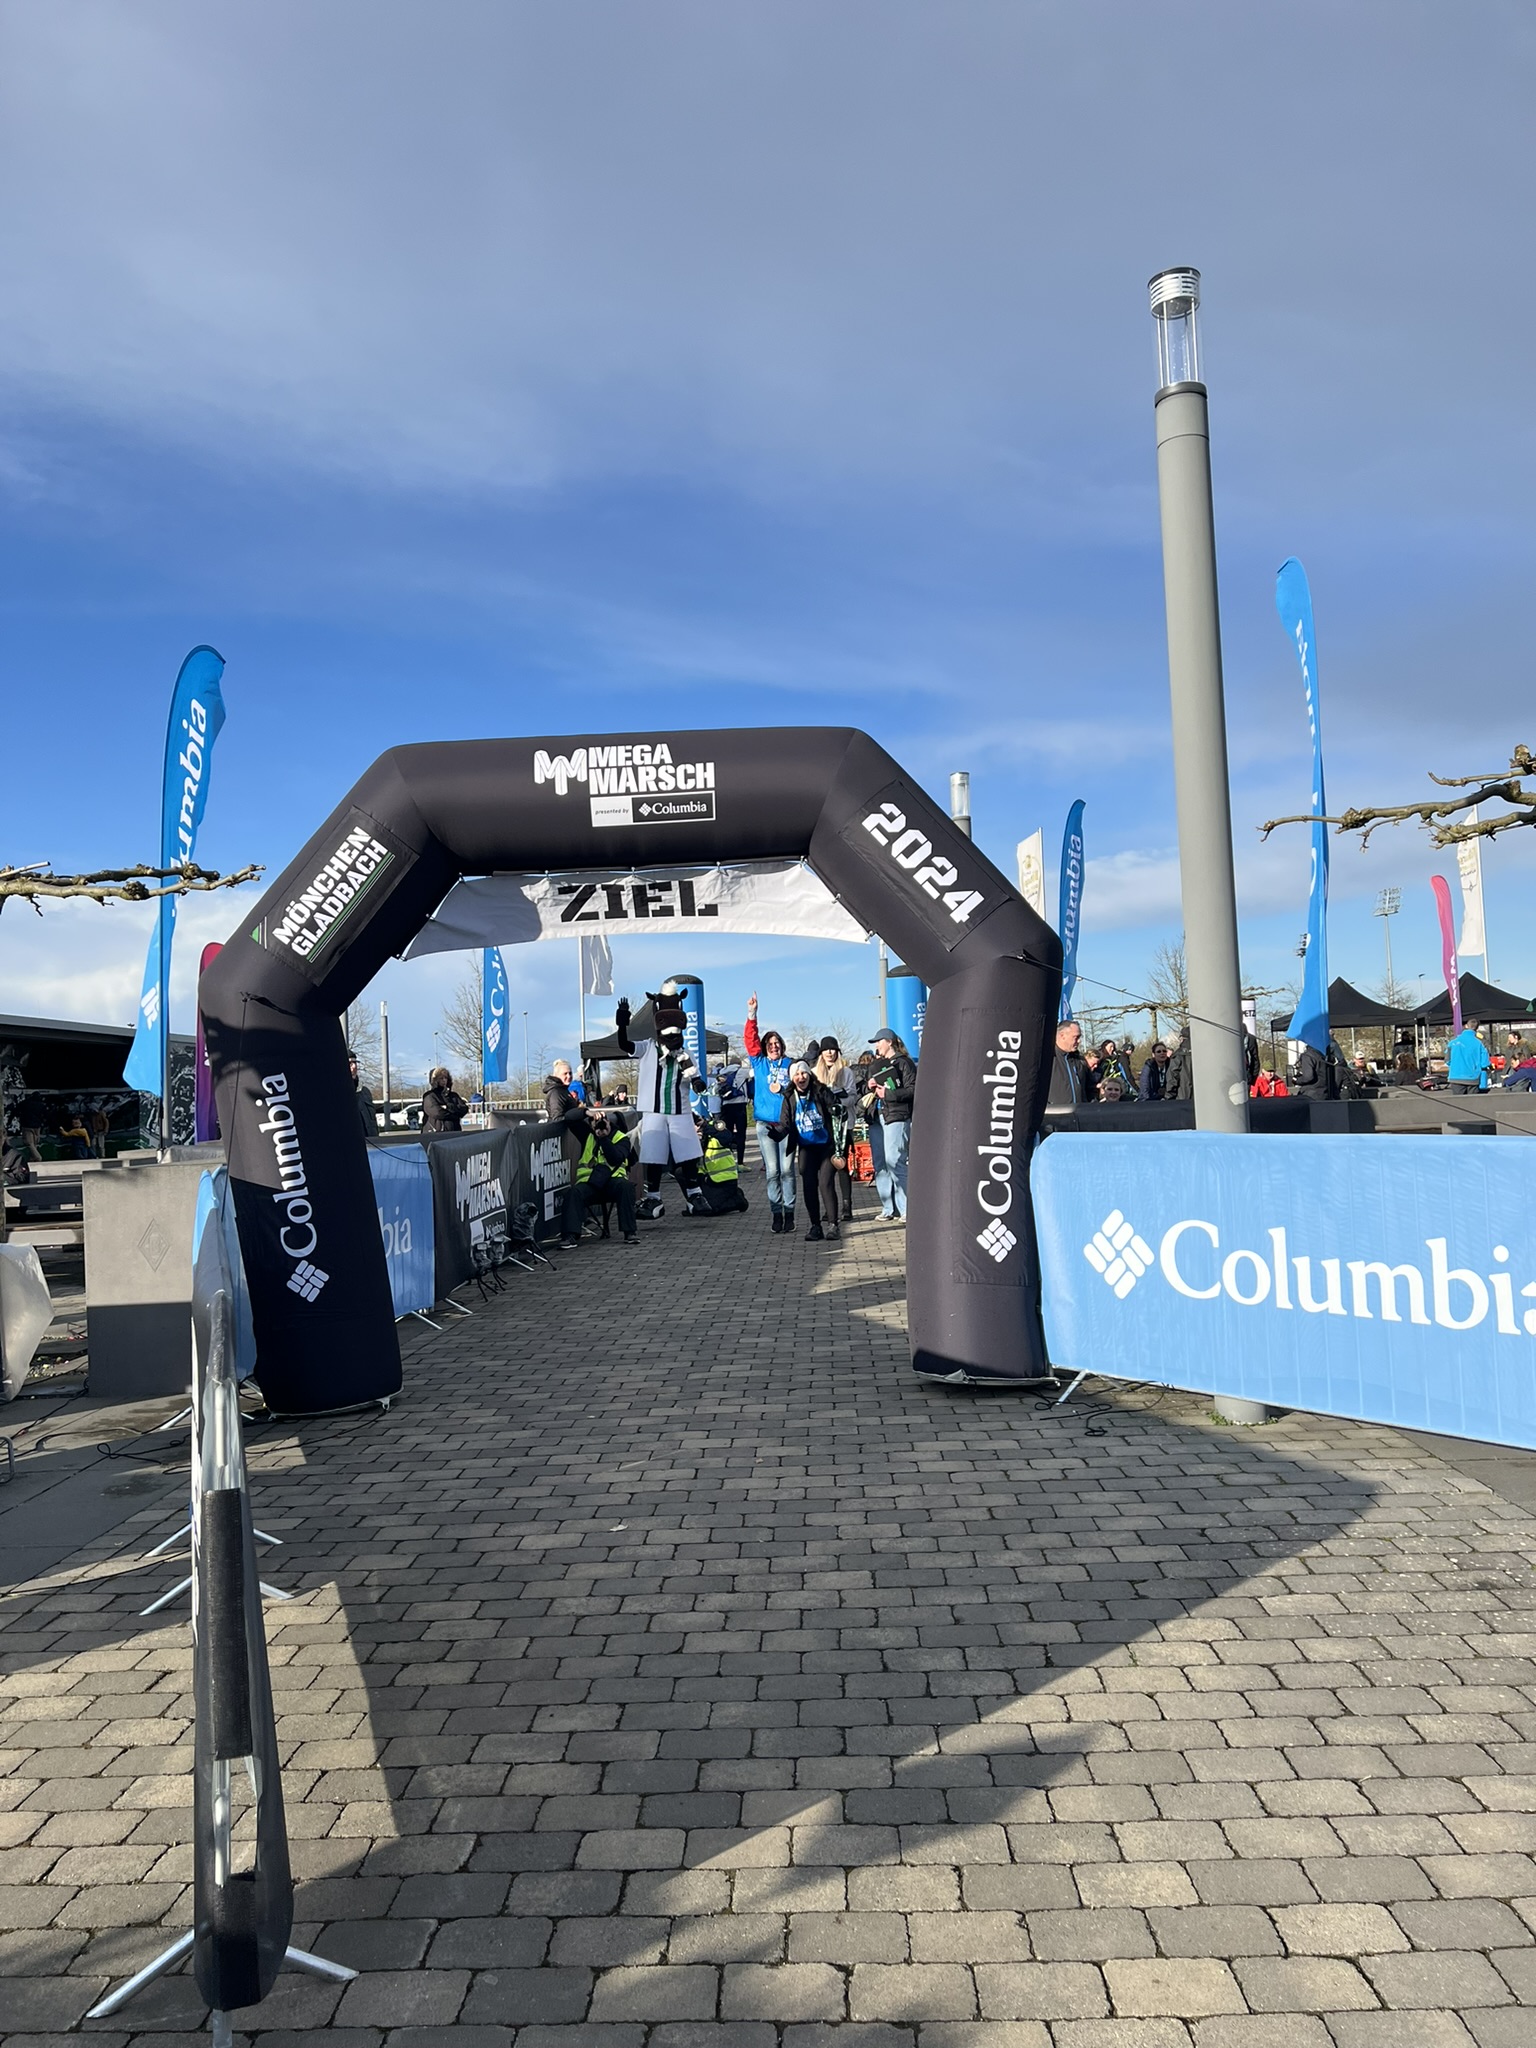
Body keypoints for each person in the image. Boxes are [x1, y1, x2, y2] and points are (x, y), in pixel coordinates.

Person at [772, 1060, 842, 1242]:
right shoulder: (789, 1097)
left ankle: (833, 1225)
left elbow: (836, 1108)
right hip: (806, 1147)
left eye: (803, 1073)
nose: (801, 1077)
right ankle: (815, 1226)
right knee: (809, 1185)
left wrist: (836, 1109)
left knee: (825, 1183)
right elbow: (785, 1124)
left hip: (826, 1146)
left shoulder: (821, 1091)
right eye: (796, 1074)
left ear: (809, 1075)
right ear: (792, 1078)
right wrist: (775, 1133)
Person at [744, 993, 795, 1231]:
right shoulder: (760, 1063)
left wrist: (785, 1089)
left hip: (785, 1124)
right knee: (772, 1172)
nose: (774, 1047)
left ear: (782, 1046)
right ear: (765, 1048)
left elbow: (800, 1086)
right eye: (770, 1044)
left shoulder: (790, 1064)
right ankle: (776, 1214)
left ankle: (790, 1214)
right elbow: (750, 1040)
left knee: (787, 1171)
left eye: (777, 1044)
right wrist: (752, 1013)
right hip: (765, 1125)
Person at [864, 1027, 916, 1221]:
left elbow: (913, 1090)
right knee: (881, 1163)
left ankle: (907, 1209)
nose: (877, 1045)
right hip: (877, 1117)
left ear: (889, 1042)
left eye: (879, 1041)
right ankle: (889, 1208)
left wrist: (888, 1094)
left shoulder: (905, 1063)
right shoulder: (878, 1065)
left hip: (897, 1116)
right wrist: (869, 1086)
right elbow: (868, 1090)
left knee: (895, 1160)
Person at [544, 1060, 596, 1246]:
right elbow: (558, 1119)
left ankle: (580, 1217)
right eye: (565, 1073)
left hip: (577, 1145)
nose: (568, 1076)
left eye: (570, 1073)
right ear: (556, 1075)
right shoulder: (556, 1092)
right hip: (564, 1147)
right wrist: (582, 1113)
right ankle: (572, 1225)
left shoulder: (563, 1091)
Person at [572, 1109, 638, 1243]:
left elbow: (615, 1159)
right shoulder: (587, 1135)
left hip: (613, 1181)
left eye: (603, 1122)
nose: (600, 1125)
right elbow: (569, 1117)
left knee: (626, 1187)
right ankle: (570, 1236)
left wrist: (604, 1138)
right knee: (573, 1193)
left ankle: (630, 1233)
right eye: (595, 1122)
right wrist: (588, 1113)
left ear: (609, 1122)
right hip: (590, 1182)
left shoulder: (621, 1138)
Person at [814, 1037, 860, 1223]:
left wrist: (837, 1101)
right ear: (821, 1053)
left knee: (841, 1165)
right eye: (826, 1050)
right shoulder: (814, 1073)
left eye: (833, 1049)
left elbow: (853, 1097)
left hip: (842, 1125)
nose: (829, 1053)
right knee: (825, 1169)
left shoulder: (846, 1072)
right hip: (823, 1127)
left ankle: (847, 1206)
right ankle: (829, 1206)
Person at [694, 1112, 750, 1213]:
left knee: (714, 1209)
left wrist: (705, 1128)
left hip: (723, 1178)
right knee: (681, 1173)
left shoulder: (714, 1125)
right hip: (706, 1177)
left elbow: (727, 1137)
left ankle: (738, 1200)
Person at [1048, 1020, 1097, 1109]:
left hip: (1080, 1113)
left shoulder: (1079, 1060)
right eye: (1076, 1037)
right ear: (1062, 1036)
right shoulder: (1047, 1059)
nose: (1079, 1041)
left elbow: (1090, 1087)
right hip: (1055, 1113)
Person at [714, 1055, 749, 1164]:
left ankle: (728, 1161)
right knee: (741, 1135)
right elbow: (755, 1073)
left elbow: (716, 1090)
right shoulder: (742, 1071)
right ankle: (740, 1162)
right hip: (740, 1106)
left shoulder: (721, 1073)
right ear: (739, 1064)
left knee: (727, 1134)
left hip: (726, 1106)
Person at [1447, 1017, 1491, 1095]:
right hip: (1473, 1077)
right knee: (1472, 1102)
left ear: (1466, 1026)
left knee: (1457, 1101)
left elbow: (1447, 1061)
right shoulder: (1480, 1043)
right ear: (1477, 1028)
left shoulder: (1453, 1042)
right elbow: (1485, 1063)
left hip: (1456, 1077)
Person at [421, 1068, 467, 1132]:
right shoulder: (429, 1096)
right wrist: (455, 1115)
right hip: (435, 1133)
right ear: (435, 1080)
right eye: (441, 1078)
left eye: (446, 1078)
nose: (444, 1080)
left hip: (454, 1132)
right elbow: (437, 1113)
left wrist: (448, 1107)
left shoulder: (454, 1095)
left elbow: (464, 1109)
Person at [349, 1049, 379, 1137]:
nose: (354, 1067)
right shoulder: (333, 1094)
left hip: (371, 1143)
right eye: (350, 1063)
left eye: (355, 1063)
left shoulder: (365, 1092)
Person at [1162, 1030, 1194, 1102]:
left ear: (1182, 1038)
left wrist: (1168, 1096)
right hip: (1203, 1100)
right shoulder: (1203, 1053)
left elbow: (1172, 1079)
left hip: (1183, 1098)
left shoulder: (1178, 1055)